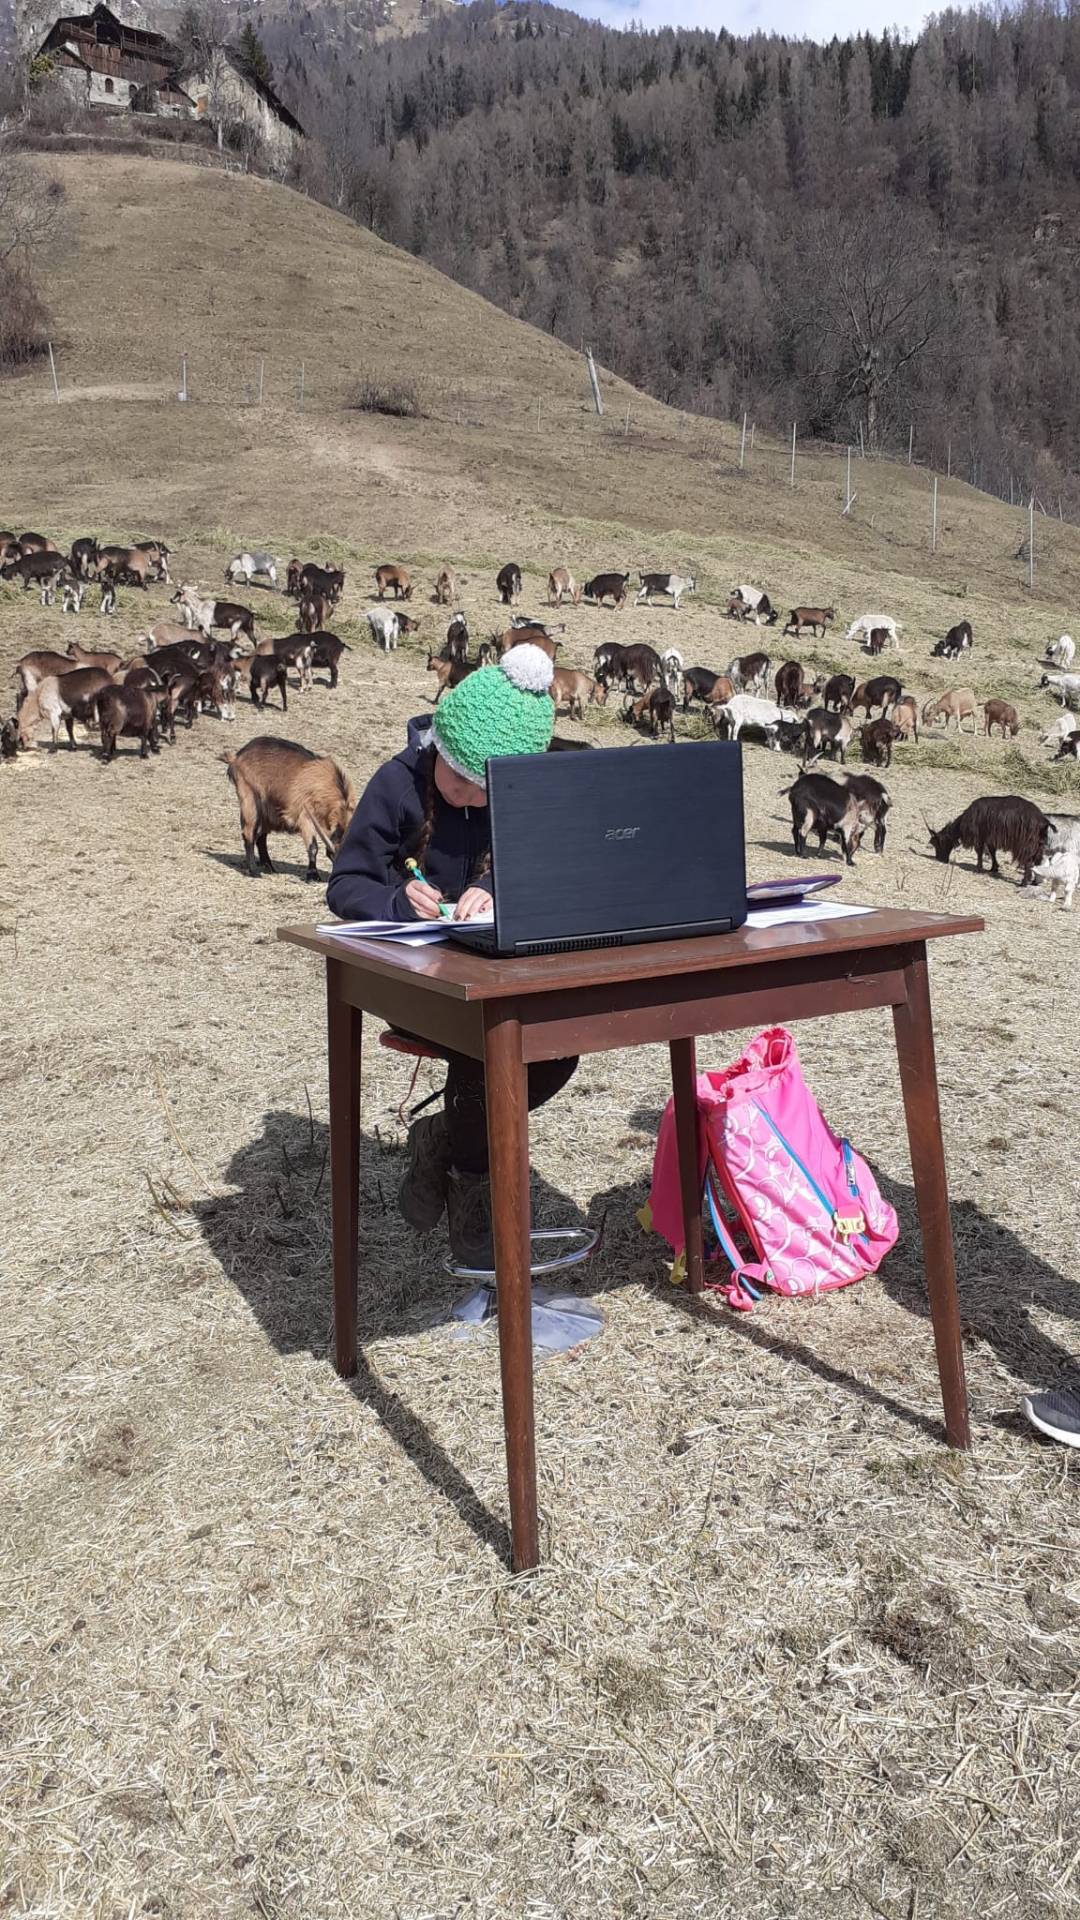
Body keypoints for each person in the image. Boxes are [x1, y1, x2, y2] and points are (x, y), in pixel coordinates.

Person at [327, 644, 577, 1267]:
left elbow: (540, 863)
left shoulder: (505, 796)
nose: (470, 799)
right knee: (488, 1042)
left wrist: (491, 889)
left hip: (491, 966)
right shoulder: (396, 783)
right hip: (412, 977)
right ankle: (475, 1196)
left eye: (486, 791)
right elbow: (345, 885)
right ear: (439, 746)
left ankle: (442, 1139)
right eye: (461, 781)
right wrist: (394, 901)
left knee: (554, 1050)